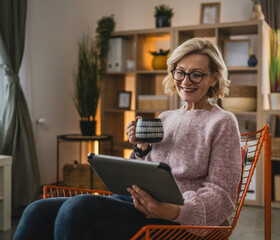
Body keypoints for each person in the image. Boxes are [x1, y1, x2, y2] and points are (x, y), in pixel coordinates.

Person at [13, 38, 242, 240]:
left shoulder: (222, 122)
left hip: (175, 220)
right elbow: (144, 172)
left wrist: (171, 210)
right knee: (37, 210)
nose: (186, 80)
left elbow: (221, 195)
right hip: (135, 201)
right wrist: (141, 149)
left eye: (197, 74)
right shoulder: (166, 117)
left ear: (214, 79)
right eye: (180, 71)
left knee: (78, 208)